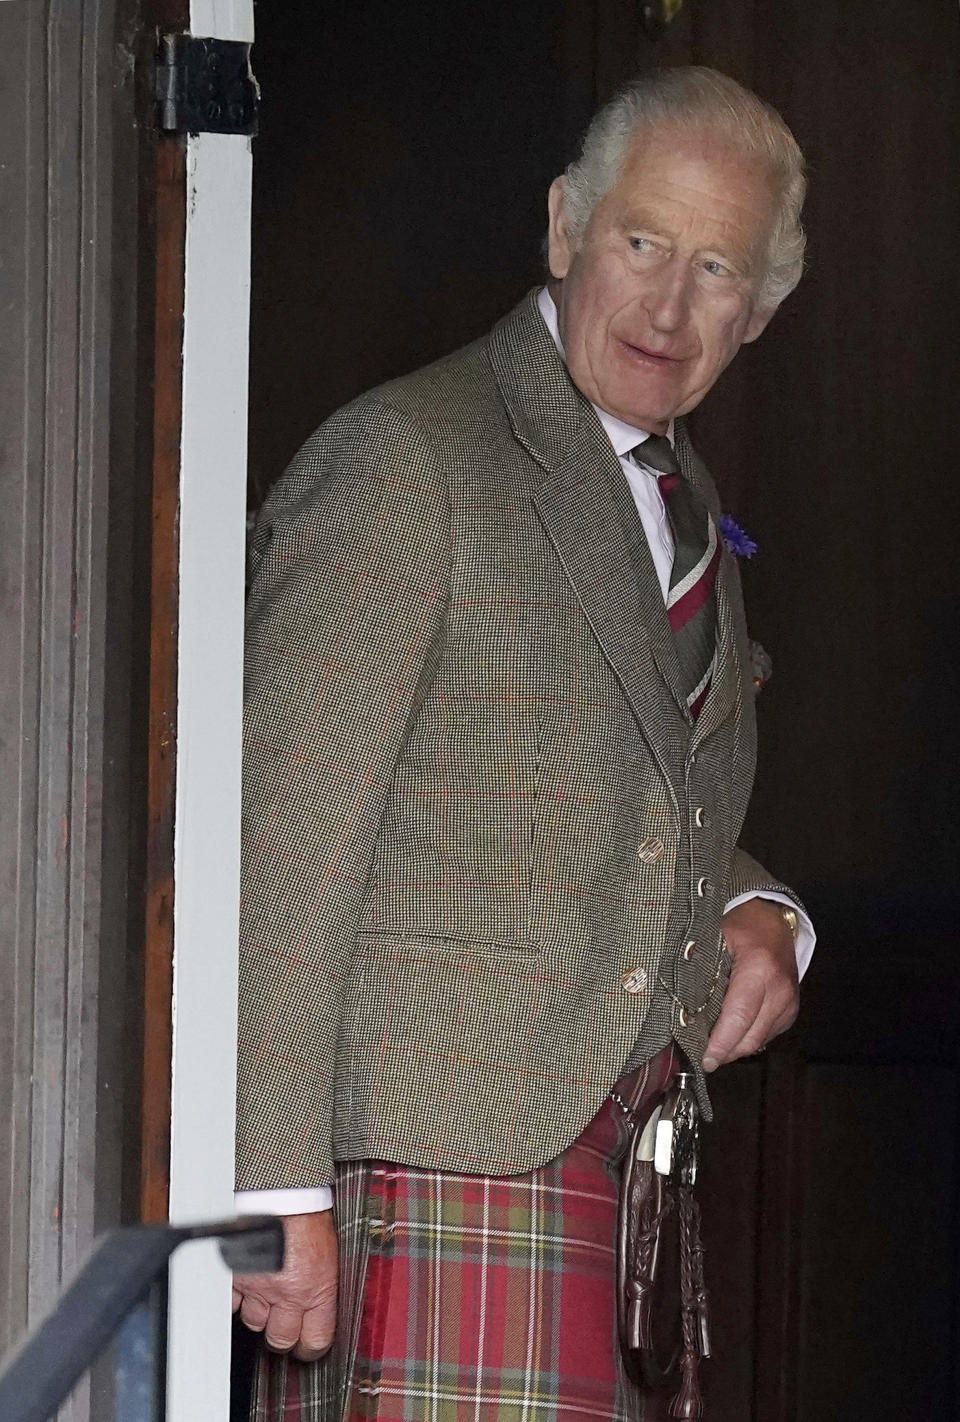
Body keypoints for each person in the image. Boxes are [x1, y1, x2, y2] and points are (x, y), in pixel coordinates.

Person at [232, 66, 814, 1422]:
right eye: (641, 242)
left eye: (715, 266)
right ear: (562, 227)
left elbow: (602, 789)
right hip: (429, 1187)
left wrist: (755, 900)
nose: (669, 306)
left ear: (762, 307)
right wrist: (275, 1189)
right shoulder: (409, 457)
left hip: (623, 1213)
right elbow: (284, 827)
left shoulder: (684, 508)